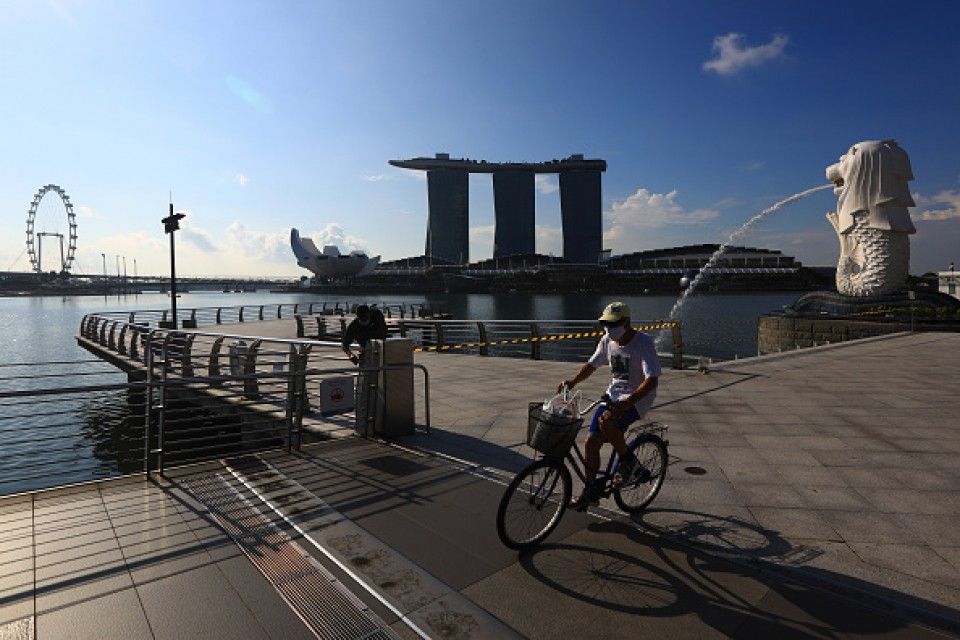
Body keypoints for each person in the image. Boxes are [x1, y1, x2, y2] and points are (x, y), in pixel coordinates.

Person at [558, 301, 661, 510]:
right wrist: (572, 381)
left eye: (613, 324)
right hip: (613, 396)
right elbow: (591, 365)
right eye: (605, 323)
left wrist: (628, 402)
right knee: (590, 443)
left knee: (608, 422)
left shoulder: (643, 342)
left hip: (637, 398)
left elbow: (652, 380)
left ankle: (628, 462)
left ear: (627, 322)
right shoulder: (607, 341)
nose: (609, 328)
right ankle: (590, 493)